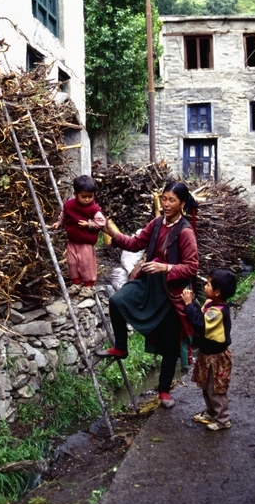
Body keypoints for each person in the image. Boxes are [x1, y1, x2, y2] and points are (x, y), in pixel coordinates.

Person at [96, 181, 199, 409]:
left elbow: (192, 267)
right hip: (150, 284)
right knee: (117, 300)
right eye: (164, 199)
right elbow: (134, 244)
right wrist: (111, 232)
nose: (166, 204)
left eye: (172, 200)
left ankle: (164, 391)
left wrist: (165, 267)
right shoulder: (157, 223)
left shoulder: (185, 232)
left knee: (170, 344)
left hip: (172, 292)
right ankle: (121, 347)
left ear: (182, 203)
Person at [182, 269, 237, 431]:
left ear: (217, 292)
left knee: (216, 388)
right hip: (207, 354)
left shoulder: (217, 312)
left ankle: (223, 419)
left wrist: (188, 304)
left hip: (216, 357)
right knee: (206, 386)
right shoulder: (211, 304)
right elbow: (200, 314)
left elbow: (200, 323)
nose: (205, 286)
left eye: (208, 284)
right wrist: (193, 302)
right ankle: (211, 411)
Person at [52, 175, 106, 293]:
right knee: (72, 262)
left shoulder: (94, 209)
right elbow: (64, 214)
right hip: (72, 240)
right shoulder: (69, 205)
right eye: (84, 197)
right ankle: (76, 283)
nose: (87, 199)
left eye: (90, 196)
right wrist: (59, 222)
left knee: (86, 263)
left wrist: (89, 224)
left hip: (86, 241)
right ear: (75, 194)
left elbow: (101, 222)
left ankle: (88, 285)